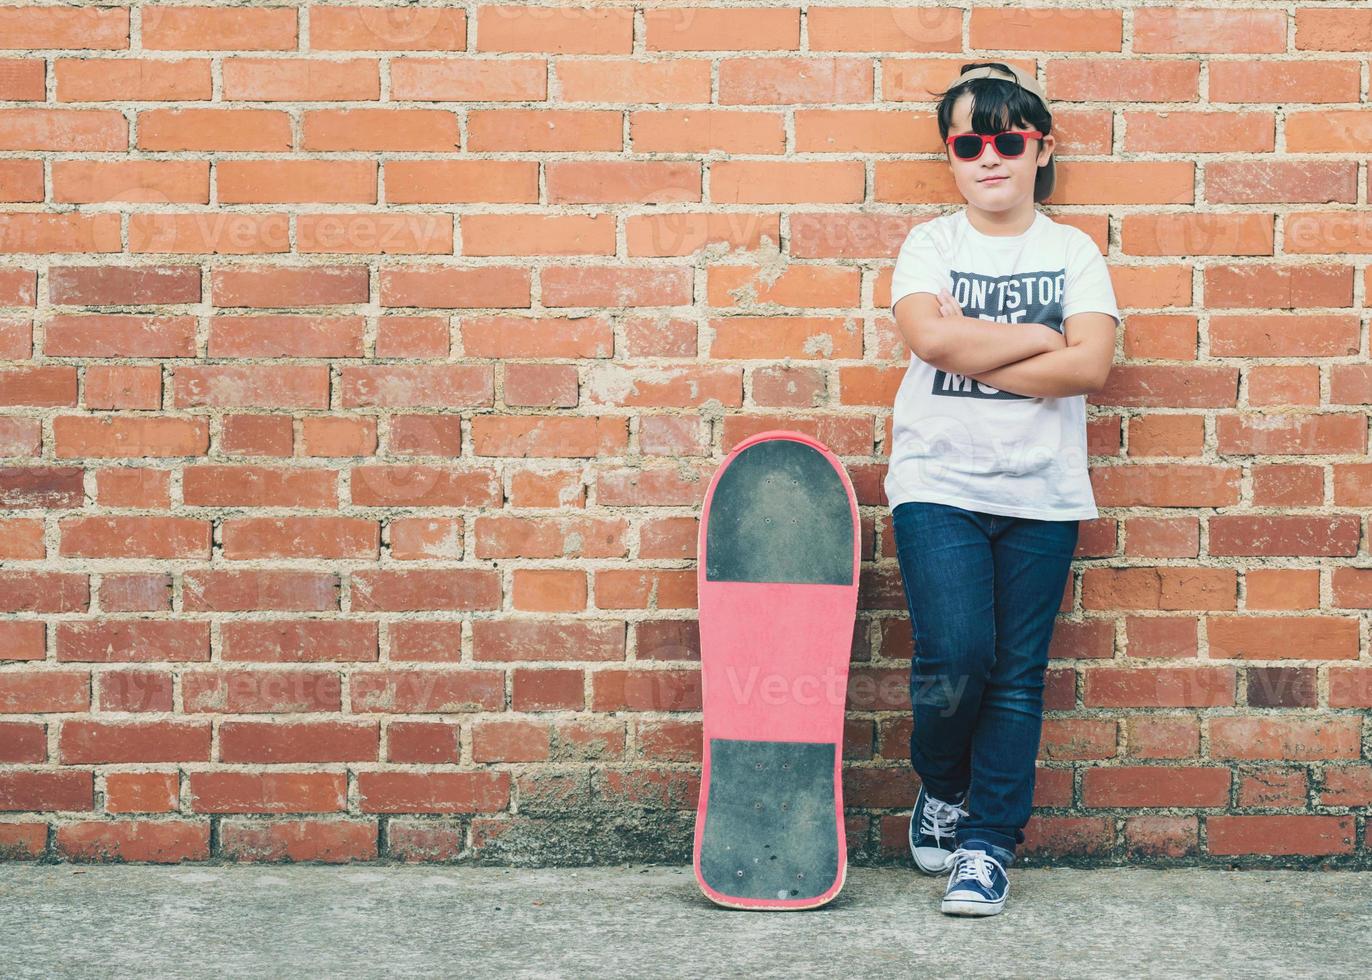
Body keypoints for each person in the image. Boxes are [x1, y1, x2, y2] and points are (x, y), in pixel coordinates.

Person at [886, 62, 1121, 916]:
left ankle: (986, 846)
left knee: (1018, 674)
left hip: (1042, 492)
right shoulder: (930, 244)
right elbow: (931, 344)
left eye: (1009, 139)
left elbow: (1090, 364)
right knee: (957, 658)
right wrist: (1034, 336)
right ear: (951, 155)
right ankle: (941, 787)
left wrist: (971, 339)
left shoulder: (1072, 251)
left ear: (1040, 148)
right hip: (936, 480)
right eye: (969, 142)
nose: (990, 157)